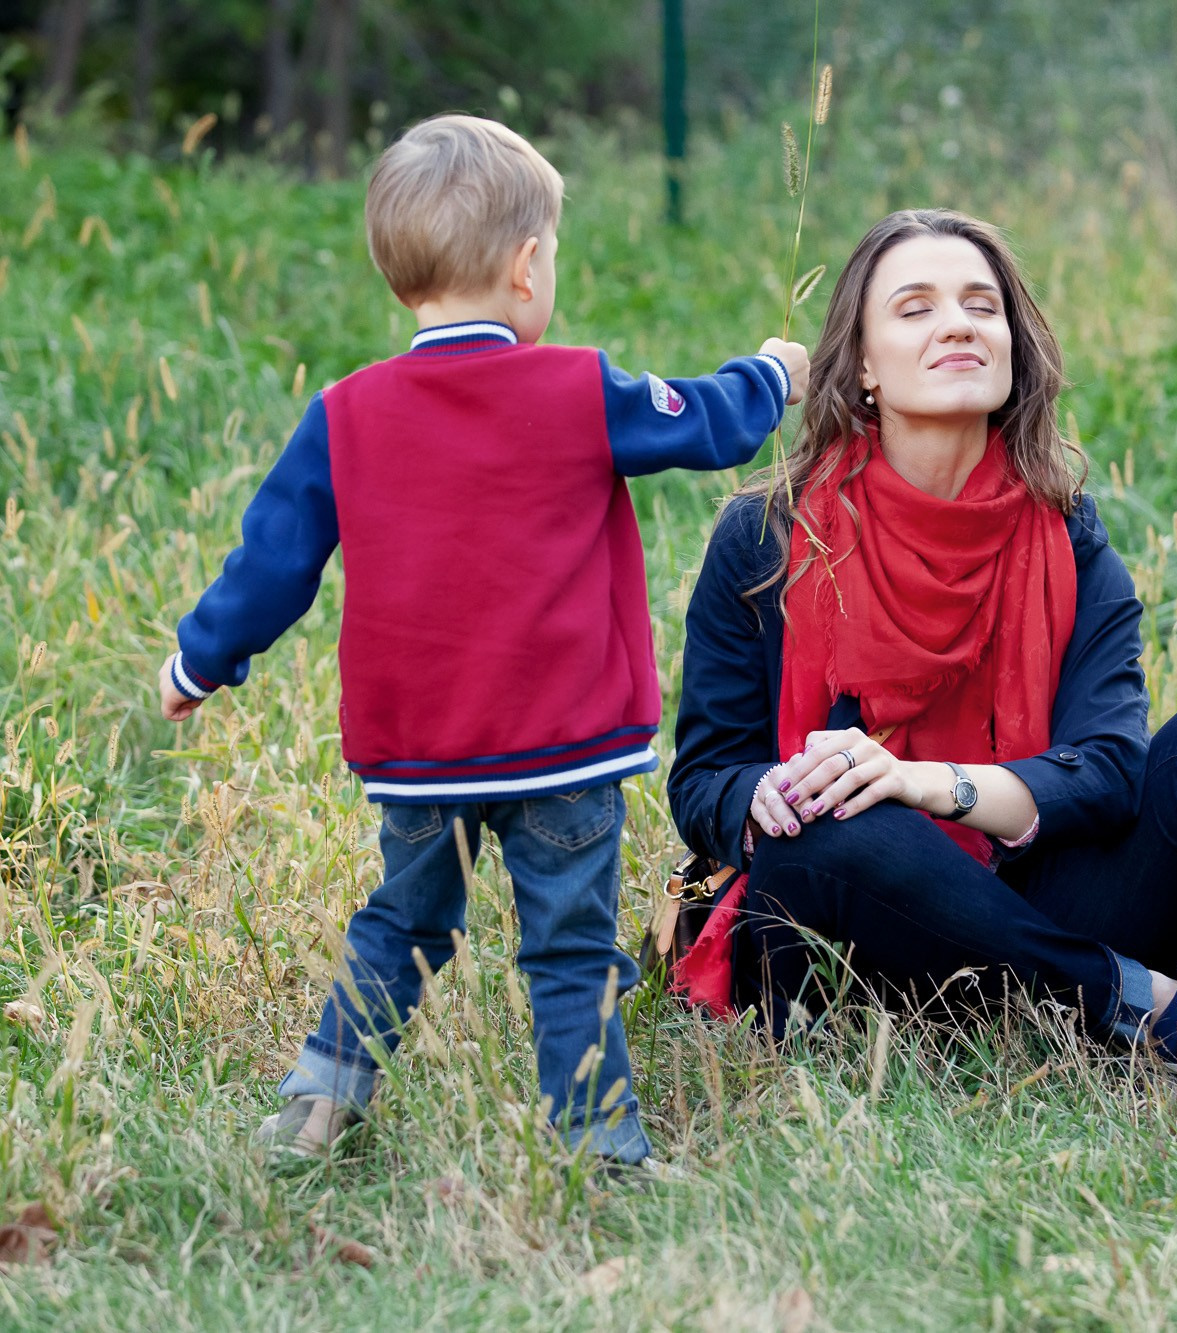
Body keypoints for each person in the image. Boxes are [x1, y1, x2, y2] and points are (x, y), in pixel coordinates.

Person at [667, 208, 1177, 1152]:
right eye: (916, 307)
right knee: (836, 821)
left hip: (1024, 891)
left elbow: (1107, 768)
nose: (959, 325)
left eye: (983, 305)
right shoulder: (769, 536)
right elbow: (702, 784)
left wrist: (930, 782)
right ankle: (1155, 1007)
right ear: (859, 363)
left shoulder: (1063, 532)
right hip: (854, 944)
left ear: (1014, 344)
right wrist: (777, 789)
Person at [157, 114, 810, 1164]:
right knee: (568, 948)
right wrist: (772, 373)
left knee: (399, 925)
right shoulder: (576, 389)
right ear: (523, 269)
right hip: (564, 749)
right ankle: (597, 1145)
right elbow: (705, 425)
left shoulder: (345, 413)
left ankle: (317, 1107)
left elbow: (271, 563)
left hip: (418, 758)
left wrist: (199, 659)